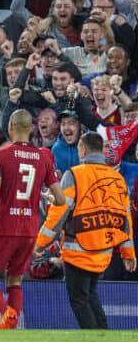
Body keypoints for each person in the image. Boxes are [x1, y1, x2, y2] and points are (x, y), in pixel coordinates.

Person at [35, 132, 137, 329]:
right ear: (100, 150)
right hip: (104, 252)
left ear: (82, 149)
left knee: (79, 299)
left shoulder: (73, 174)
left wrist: (39, 244)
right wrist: (128, 252)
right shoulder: (117, 179)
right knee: (90, 294)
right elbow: (125, 220)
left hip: (78, 250)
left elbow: (58, 214)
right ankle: (104, 337)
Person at [0, 109, 66, 329]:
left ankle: (5, 316)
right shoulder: (44, 156)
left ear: (10, 127)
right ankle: (8, 328)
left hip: (5, 227)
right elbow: (61, 200)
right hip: (29, 230)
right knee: (15, 280)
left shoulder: (1, 156)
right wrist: (43, 195)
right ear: (31, 129)